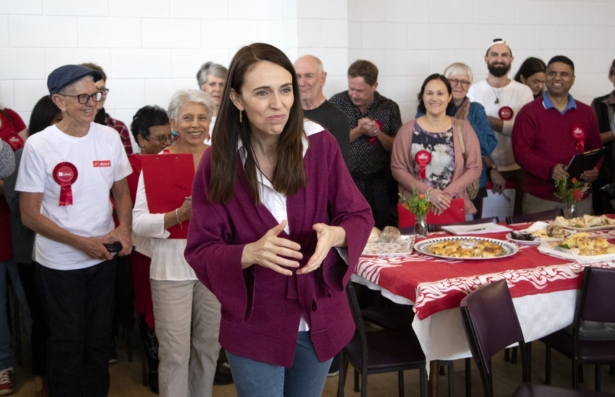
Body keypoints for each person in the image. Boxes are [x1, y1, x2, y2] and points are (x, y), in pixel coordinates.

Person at [185, 43, 373, 397]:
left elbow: (358, 215)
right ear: (237, 100)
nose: (278, 104)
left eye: (285, 90)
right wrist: (249, 253)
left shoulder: (320, 145)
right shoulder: (218, 162)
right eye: (262, 92)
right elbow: (201, 249)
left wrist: (336, 234)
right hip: (257, 321)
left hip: (317, 313)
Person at [15, 64, 133, 397]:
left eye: (96, 94)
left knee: (99, 341)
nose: (91, 102)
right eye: (82, 96)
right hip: (59, 264)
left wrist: (124, 229)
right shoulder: (40, 146)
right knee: (68, 342)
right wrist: (80, 243)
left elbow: (122, 193)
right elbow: (29, 215)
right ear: (59, 100)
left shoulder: (108, 137)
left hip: (103, 259)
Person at [132, 90, 221, 397]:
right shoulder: (158, 163)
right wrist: (177, 215)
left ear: (211, 122)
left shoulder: (223, 159)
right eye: (187, 117)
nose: (195, 124)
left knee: (208, 348)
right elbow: (139, 222)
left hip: (214, 269)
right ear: (173, 122)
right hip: (171, 271)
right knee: (174, 353)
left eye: (202, 117)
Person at [3, 95, 62, 397]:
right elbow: (15, 203)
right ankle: (45, 379)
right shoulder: (25, 151)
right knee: (42, 318)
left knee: (64, 318)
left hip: (67, 251)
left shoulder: (74, 150)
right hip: (32, 253)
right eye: (58, 121)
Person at [513, 56, 602, 216]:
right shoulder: (529, 112)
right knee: (541, 240)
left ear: (573, 79)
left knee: (581, 240)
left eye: (564, 74)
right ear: (545, 77)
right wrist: (550, 169)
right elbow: (521, 153)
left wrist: (595, 169)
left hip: (580, 197)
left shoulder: (586, 112)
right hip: (541, 198)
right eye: (552, 73)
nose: (557, 78)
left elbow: (596, 148)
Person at [128, 105, 173, 393]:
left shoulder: (176, 159)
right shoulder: (128, 168)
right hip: (143, 249)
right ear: (141, 139)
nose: (167, 144)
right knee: (151, 308)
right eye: (160, 138)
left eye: (170, 136)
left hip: (176, 243)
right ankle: (156, 364)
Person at [393, 74, 482, 217]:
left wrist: (445, 195)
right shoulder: (406, 131)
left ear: (449, 97)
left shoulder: (463, 129)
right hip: (416, 208)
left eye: (440, 93)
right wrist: (429, 193)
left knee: (456, 241)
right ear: (422, 96)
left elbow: (475, 167)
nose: (434, 98)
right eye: (429, 93)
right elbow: (398, 168)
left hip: (454, 204)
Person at [416, 63, 497, 217]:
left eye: (464, 82)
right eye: (453, 81)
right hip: (434, 185)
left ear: (469, 85)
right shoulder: (429, 106)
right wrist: (454, 123)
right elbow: (421, 143)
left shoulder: (476, 109)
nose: (459, 85)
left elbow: (489, 147)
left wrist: (467, 125)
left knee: (468, 233)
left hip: (471, 185)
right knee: (436, 232)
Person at [330, 59, 402, 229]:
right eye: (351, 88)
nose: (353, 94)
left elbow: (396, 148)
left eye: (360, 90)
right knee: (350, 229)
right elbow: (330, 144)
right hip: (347, 182)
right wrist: (358, 131)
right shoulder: (336, 103)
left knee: (383, 230)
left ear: (374, 85)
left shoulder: (389, 107)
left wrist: (377, 133)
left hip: (380, 185)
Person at [468, 39, 534, 216]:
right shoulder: (473, 91)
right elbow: (471, 136)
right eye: (494, 54)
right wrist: (492, 167)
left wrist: (484, 120)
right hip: (482, 167)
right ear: (485, 58)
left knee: (516, 221)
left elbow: (523, 131)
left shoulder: (524, 91)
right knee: (483, 223)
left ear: (511, 59)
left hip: (516, 168)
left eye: (504, 55)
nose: (499, 58)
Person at [294, 55, 350, 165]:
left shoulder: (338, 119)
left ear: (322, 79)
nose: (302, 83)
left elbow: (339, 168)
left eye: (309, 76)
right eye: (297, 76)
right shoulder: (287, 114)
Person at [79, 62, 133, 155]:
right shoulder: (69, 126)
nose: (99, 95)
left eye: (102, 90)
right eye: (94, 91)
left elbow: (128, 167)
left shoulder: (118, 128)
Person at [590, 58, 615, 214]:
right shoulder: (599, 104)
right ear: (611, 77)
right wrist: (613, 133)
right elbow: (590, 140)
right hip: (605, 176)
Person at [196, 61, 228, 144]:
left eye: (222, 84)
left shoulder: (236, 118)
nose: (217, 89)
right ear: (202, 87)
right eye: (212, 84)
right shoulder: (195, 119)